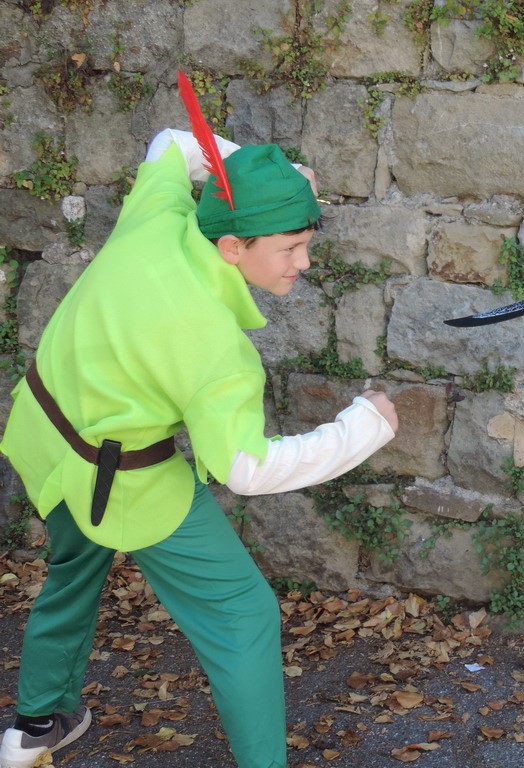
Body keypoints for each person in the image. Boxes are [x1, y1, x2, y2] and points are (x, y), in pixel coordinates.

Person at [0, 127, 399, 768]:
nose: (303, 263)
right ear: (233, 247)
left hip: (47, 427)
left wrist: (258, 174)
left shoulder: (159, 213)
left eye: (306, 244)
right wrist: (365, 426)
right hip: (119, 475)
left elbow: (170, 141)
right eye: (290, 247)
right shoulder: (215, 348)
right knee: (244, 613)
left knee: (74, 567)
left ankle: (33, 729)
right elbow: (248, 468)